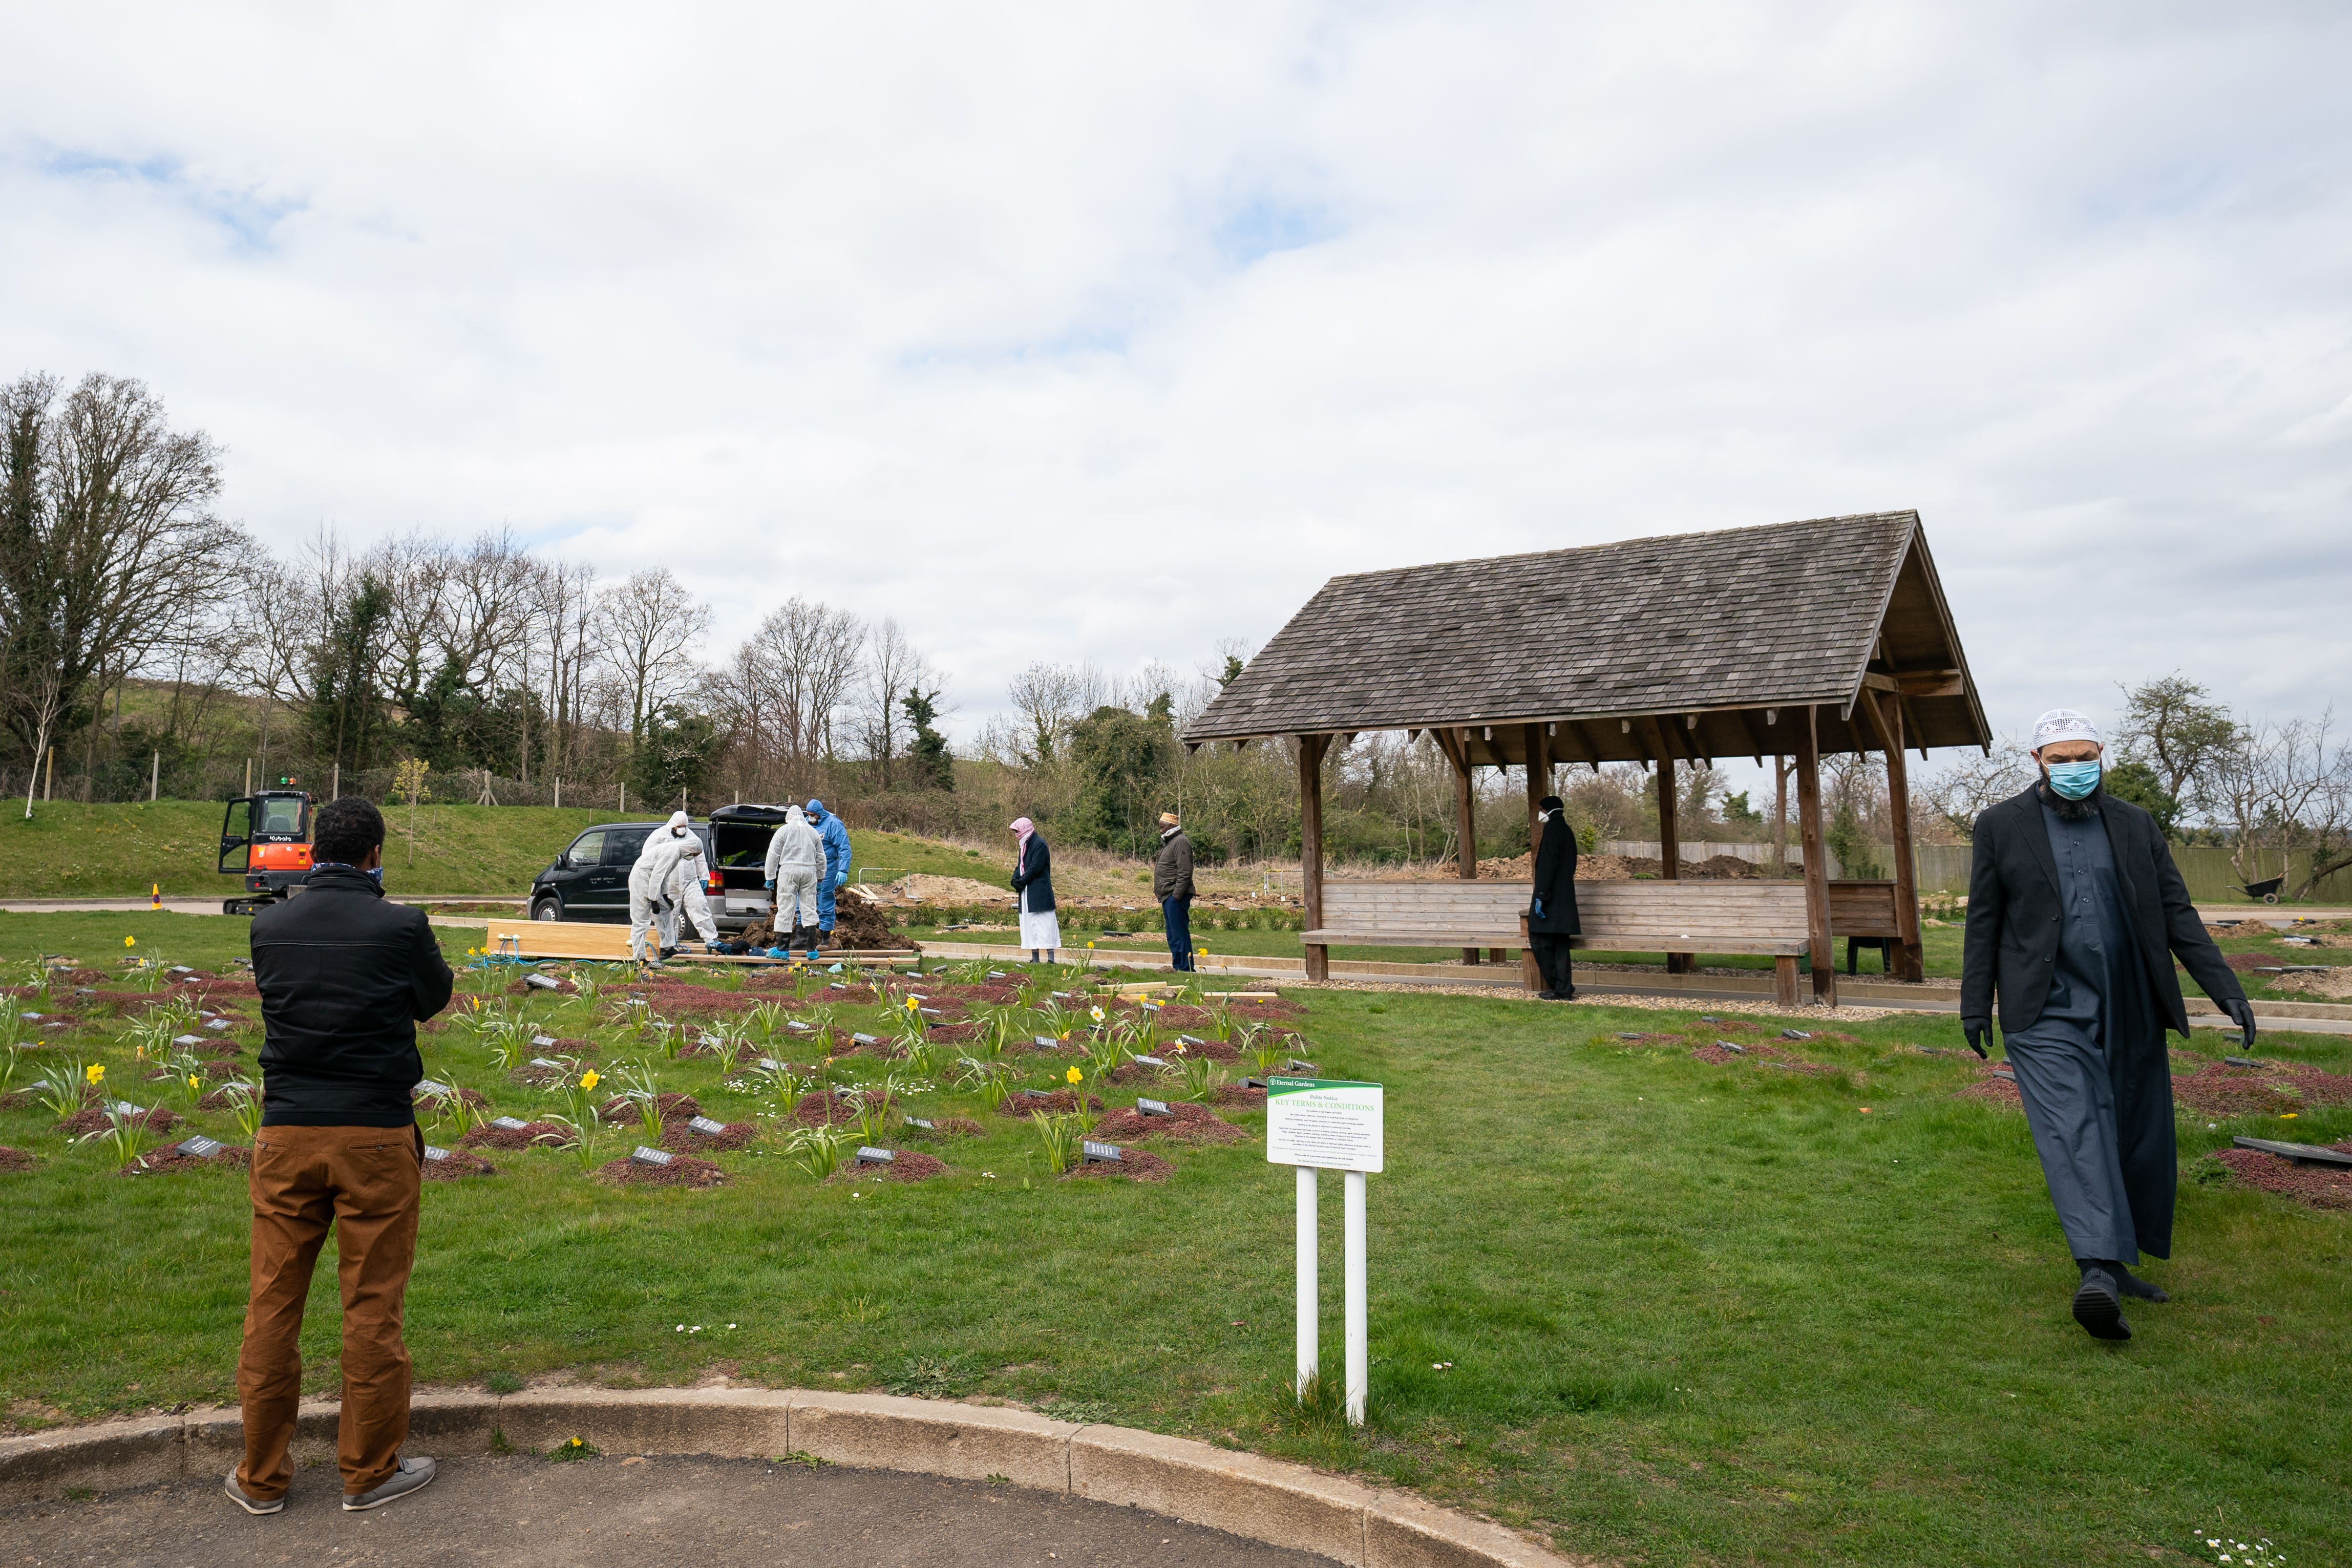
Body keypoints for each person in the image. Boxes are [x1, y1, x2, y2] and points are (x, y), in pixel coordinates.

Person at [1962, 708, 2255, 1343]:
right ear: (2037, 761)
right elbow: (1983, 919)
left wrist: (2225, 989)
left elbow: (2177, 912)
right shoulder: (2000, 826)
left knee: (2134, 1127)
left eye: (2084, 755)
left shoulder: (2134, 824)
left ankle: (2119, 1262)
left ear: (2103, 754)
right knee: (2076, 1123)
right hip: (2044, 1005)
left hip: (2129, 1001)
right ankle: (2095, 1268)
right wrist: (1972, 1004)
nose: (2074, 768)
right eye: (2059, 758)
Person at [231, 797, 453, 1516]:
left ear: (310, 849)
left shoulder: (271, 924)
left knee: (273, 1302)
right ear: (373, 854)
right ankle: (368, 1471)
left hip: (287, 1131)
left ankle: (260, 1477)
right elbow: (434, 997)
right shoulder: (399, 925)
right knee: (371, 1307)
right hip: (374, 1135)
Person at [1527, 794, 1580, 1000]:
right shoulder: (1567, 830)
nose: (1540, 814)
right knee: (1560, 945)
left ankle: (1559, 986)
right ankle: (1564, 989)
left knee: (1539, 940)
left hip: (1550, 898)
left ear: (1547, 810)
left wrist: (1541, 895)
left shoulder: (1551, 829)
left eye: (1541, 810)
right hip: (1565, 896)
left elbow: (1548, 865)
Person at [627, 811, 696, 963]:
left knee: (666, 910)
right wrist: (653, 900)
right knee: (642, 919)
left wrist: (664, 896)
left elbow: (665, 875)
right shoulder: (670, 849)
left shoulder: (677, 852)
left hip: (652, 880)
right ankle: (638, 958)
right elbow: (657, 875)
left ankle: (667, 947)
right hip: (642, 878)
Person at [764, 804, 826, 959]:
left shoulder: (783, 831)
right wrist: (820, 877)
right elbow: (821, 857)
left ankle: (783, 948)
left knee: (786, 907)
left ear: (788, 818)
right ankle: (811, 949)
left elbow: (773, 854)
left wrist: (770, 876)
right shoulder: (813, 832)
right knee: (809, 908)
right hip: (809, 871)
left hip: (789, 871)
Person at [656, 831, 720, 952]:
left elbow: (700, 857)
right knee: (670, 915)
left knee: (700, 907)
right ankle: (669, 945)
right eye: (680, 826)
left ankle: (711, 940)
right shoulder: (662, 836)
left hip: (690, 882)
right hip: (670, 883)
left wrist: (704, 876)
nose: (682, 829)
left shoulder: (692, 837)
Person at [1009, 816, 1059, 963]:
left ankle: (1051, 959)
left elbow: (1035, 867)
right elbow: (1021, 866)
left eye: (1017, 831)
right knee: (1030, 924)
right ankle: (1035, 958)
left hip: (1039, 891)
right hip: (1028, 892)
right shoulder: (1024, 845)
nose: (1016, 834)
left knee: (1045, 924)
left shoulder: (1039, 844)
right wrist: (1015, 880)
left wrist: (1022, 881)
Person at [1153, 810, 1196, 972]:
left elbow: (1185, 872)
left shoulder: (1181, 842)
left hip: (1175, 895)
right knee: (1172, 935)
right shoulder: (1172, 842)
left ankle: (1185, 968)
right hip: (1168, 895)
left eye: (1163, 827)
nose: (1161, 830)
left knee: (1179, 934)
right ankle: (1178, 967)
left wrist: (1176, 896)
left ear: (1172, 826)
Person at [805, 798, 852, 944]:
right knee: (805, 901)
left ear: (820, 813)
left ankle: (825, 939)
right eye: (808, 814)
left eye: (813, 814)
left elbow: (844, 848)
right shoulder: (806, 823)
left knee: (825, 900)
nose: (811, 817)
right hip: (808, 868)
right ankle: (805, 938)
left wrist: (843, 869)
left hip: (828, 868)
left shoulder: (833, 824)